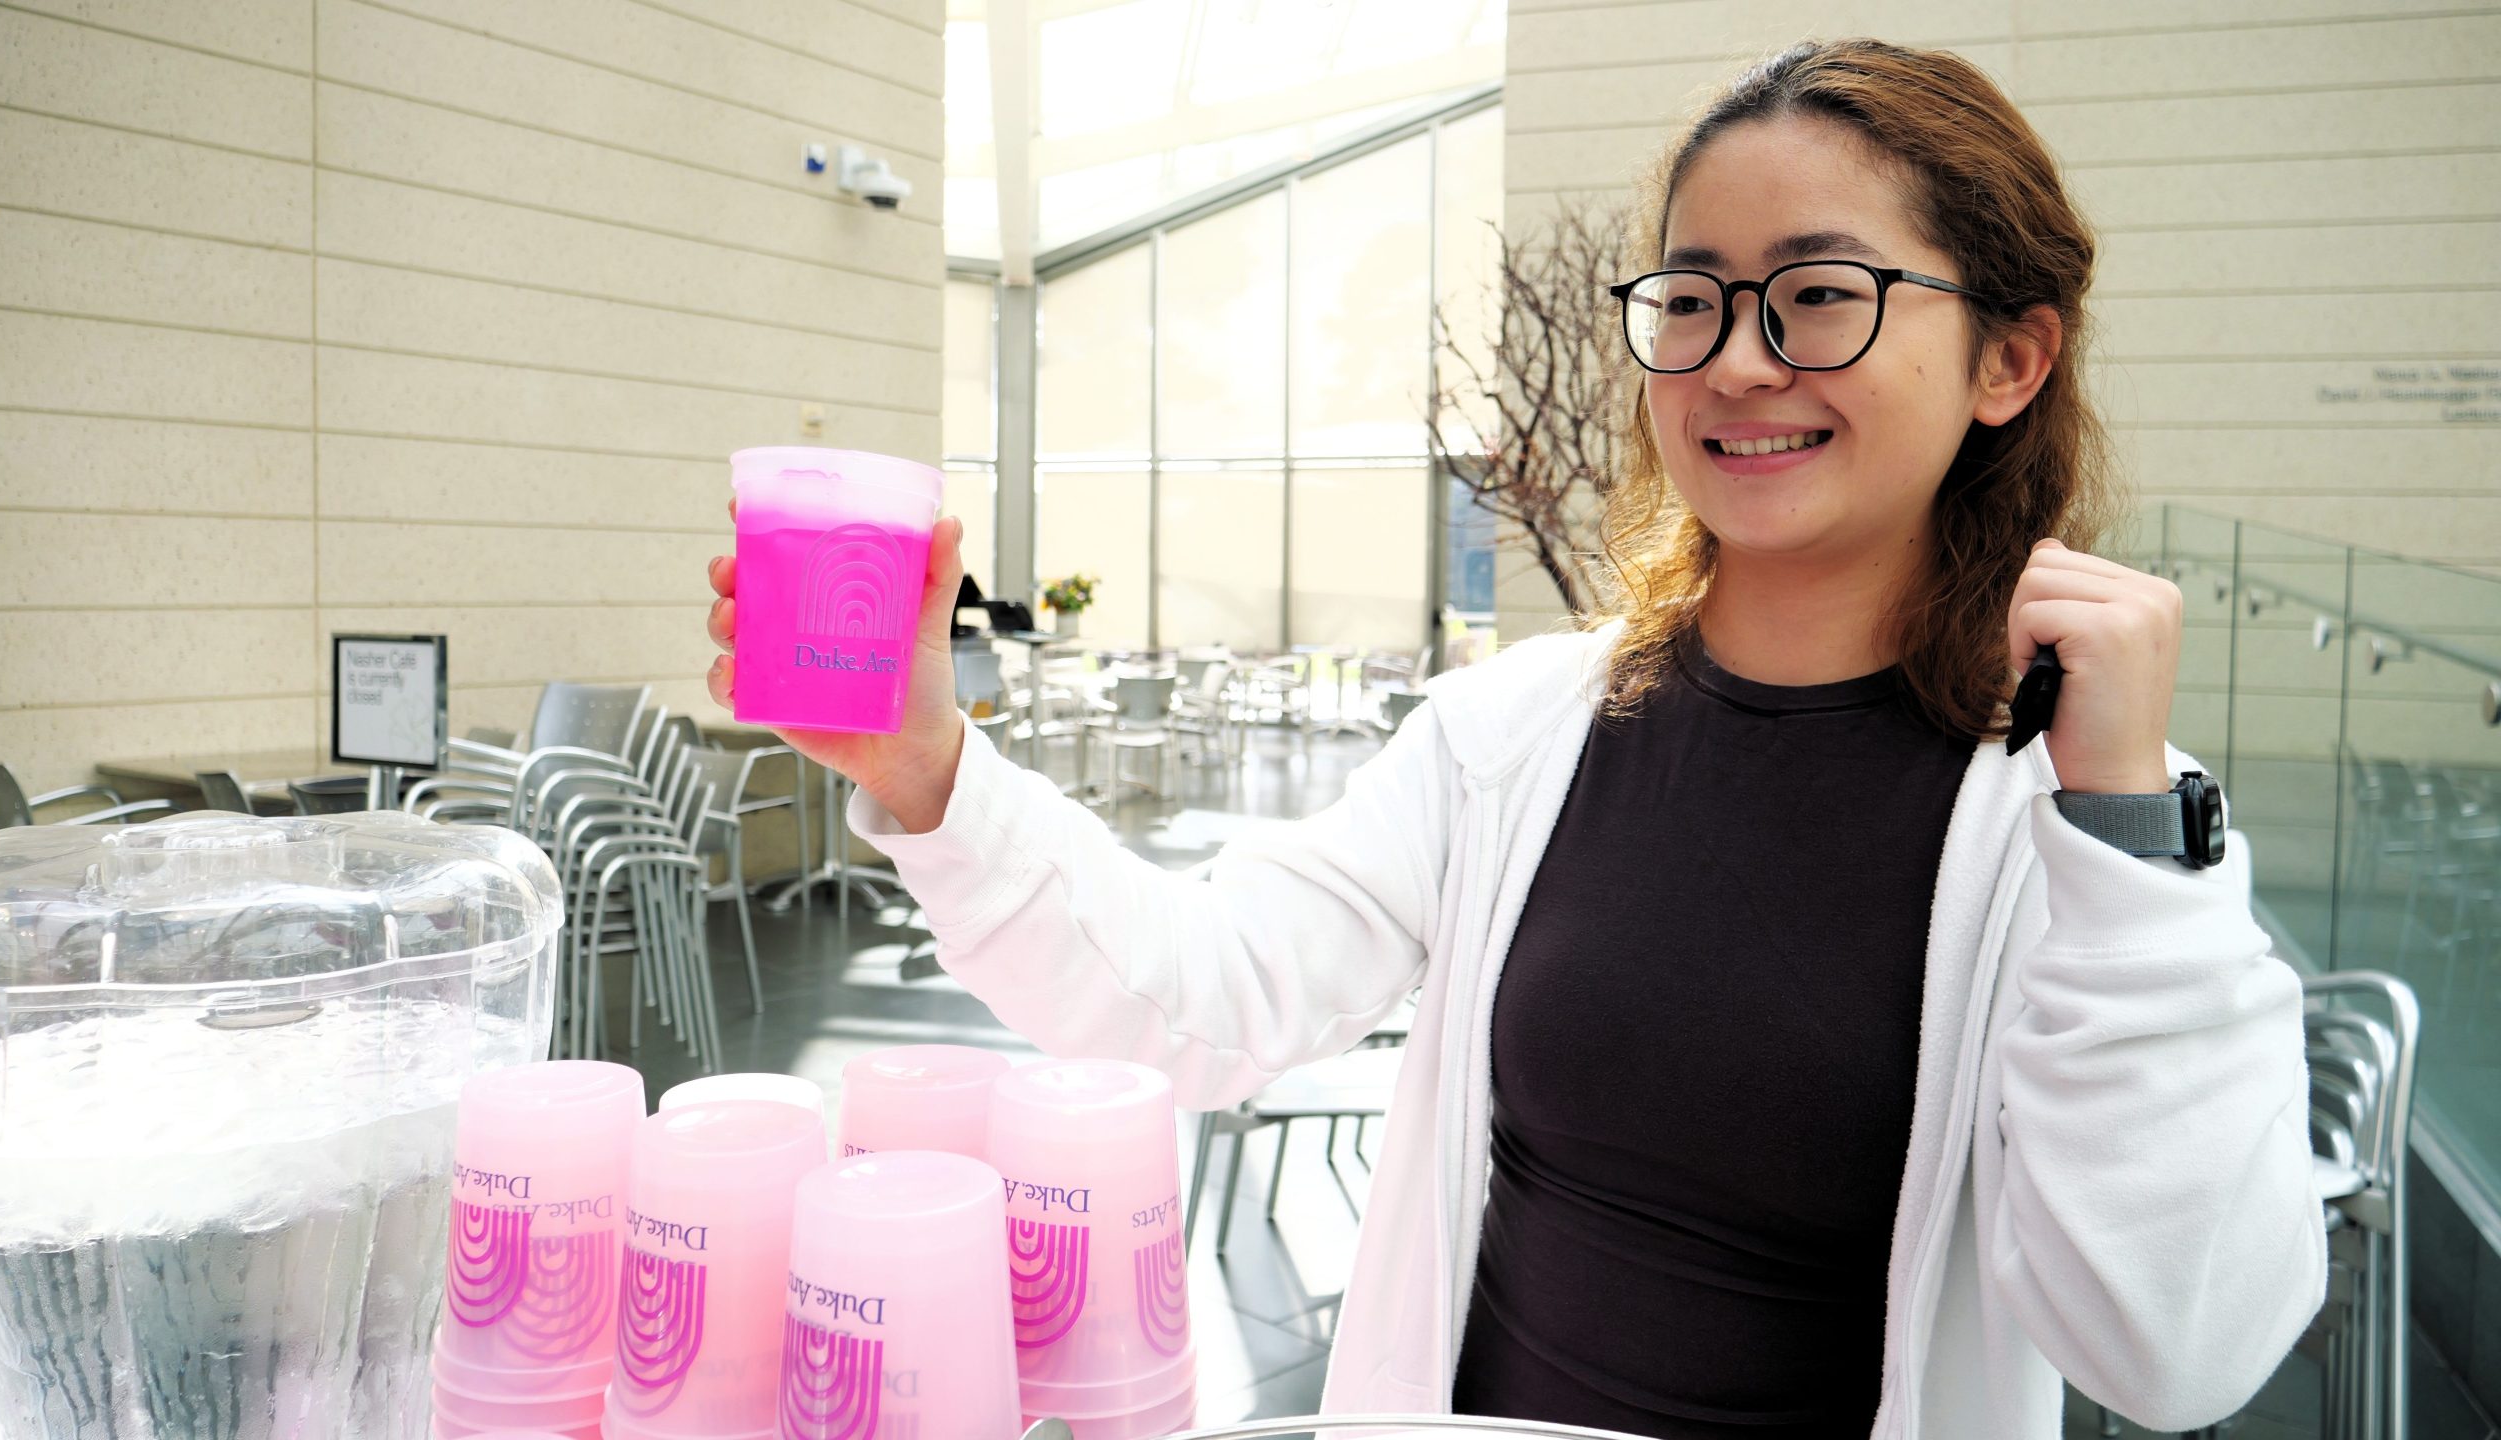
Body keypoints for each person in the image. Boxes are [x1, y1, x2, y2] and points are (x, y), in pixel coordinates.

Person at [704, 38, 2324, 1440]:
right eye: (1690, 299)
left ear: (2010, 358)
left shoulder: (2091, 821)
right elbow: (1203, 996)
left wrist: (2121, 823)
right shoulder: (1520, 733)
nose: (1737, 358)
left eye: (1821, 294)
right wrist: (926, 766)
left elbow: (2177, 1348)